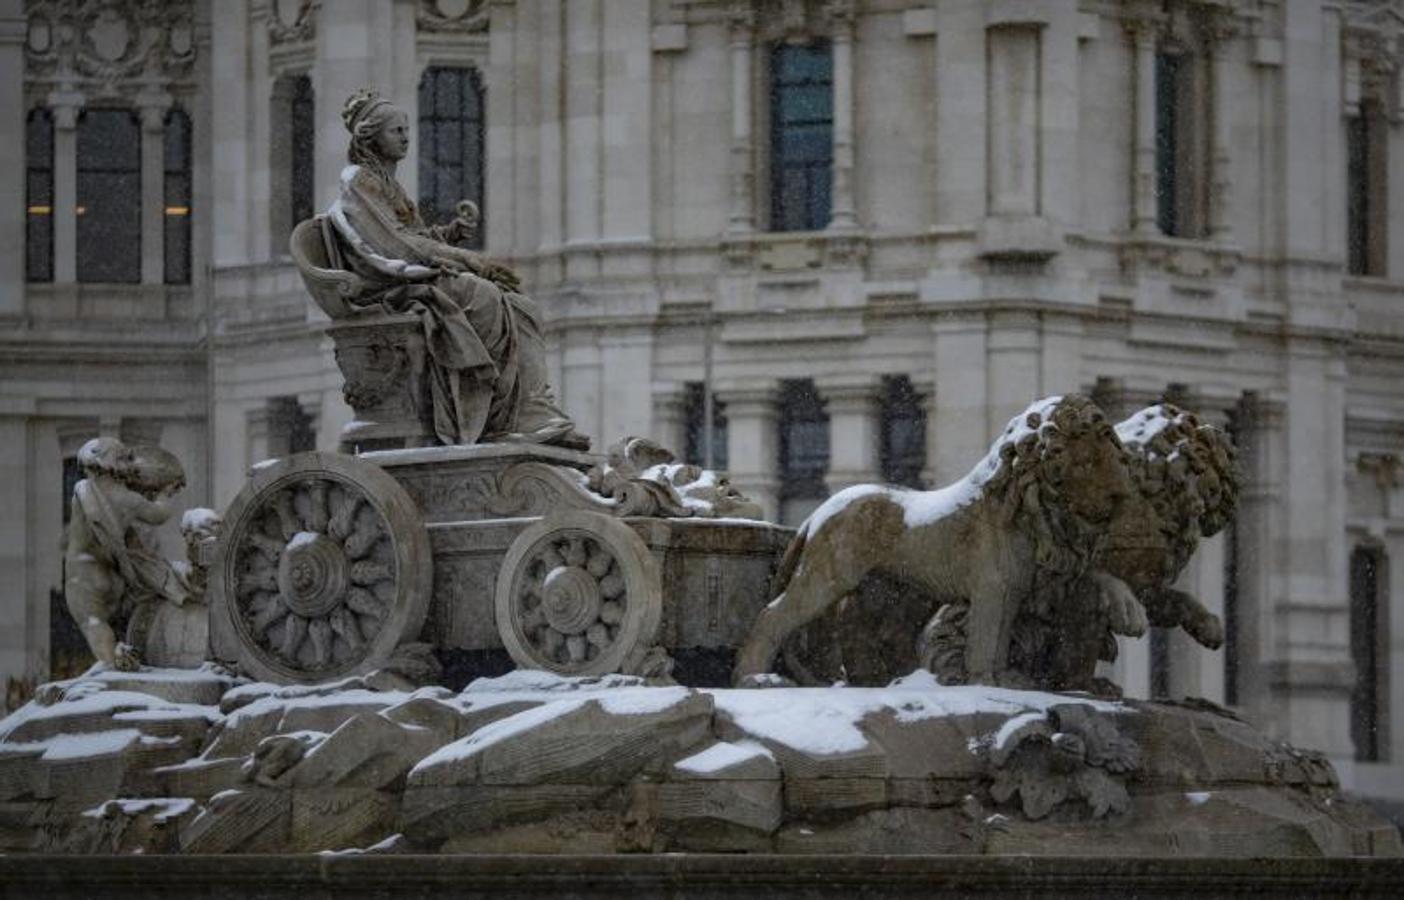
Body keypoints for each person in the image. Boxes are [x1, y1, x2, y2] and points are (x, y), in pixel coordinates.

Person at [328, 88, 588, 449]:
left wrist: (452, 235)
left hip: (415, 273)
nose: (406, 138)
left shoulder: (387, 184)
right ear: (370, 137)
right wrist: (464, 259)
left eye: (406, 129)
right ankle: (496, 413)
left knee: (521, 306)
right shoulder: (359, 181)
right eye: (396, 131)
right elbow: (394, 245)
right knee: (484, 296)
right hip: (394, 285)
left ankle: (529, 409)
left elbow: (412, 237)